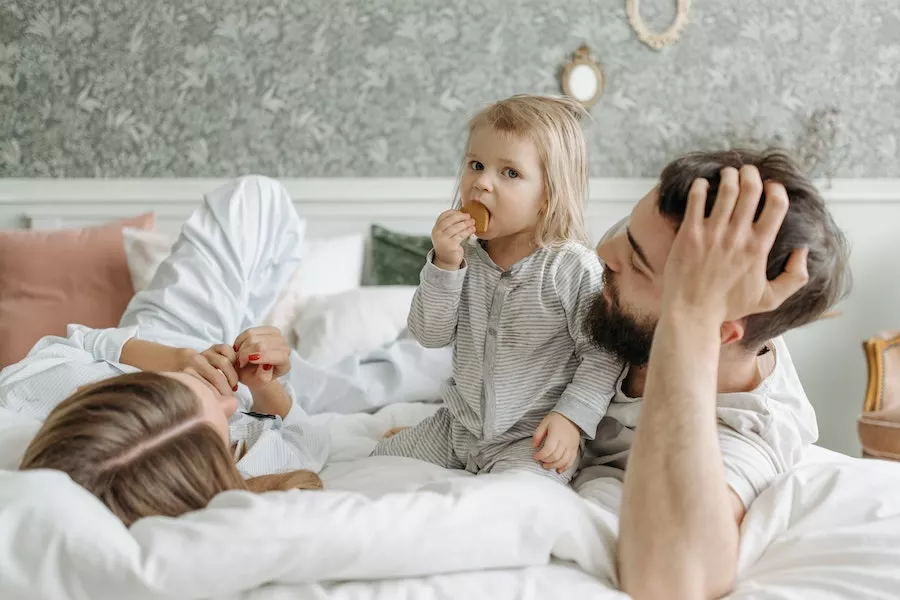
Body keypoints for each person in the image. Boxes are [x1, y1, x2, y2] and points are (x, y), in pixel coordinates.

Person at [2, 175, 453, 525]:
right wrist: (267, 389)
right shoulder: (238, 465)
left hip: (164, 345)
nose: (227, 395)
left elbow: (83, 340)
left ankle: (224, 338)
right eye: (221, 420)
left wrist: (179, 362)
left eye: (188, 392)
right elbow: (306, 438)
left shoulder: (31, 395)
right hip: (273, 394)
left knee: (254, 198)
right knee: (433, 365)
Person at [578, 150, 851, 599]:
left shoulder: (751, 430)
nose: (602, 253)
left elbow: (671, 583)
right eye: (624, 232)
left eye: (638, 261)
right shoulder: (632, 273)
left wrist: (688, 321)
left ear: (716, 328)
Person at [370, 95, 622, 483]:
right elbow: (429, 334)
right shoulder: (460, 257)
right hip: (457, 429)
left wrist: (571, 419)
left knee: (512, 499)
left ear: (547, 197)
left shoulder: (570, 266)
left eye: (509, 173)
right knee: (375, 464)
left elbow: (603, 355)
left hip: (532, 436)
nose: (482, 183)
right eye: (476, 165)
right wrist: (444, 265)